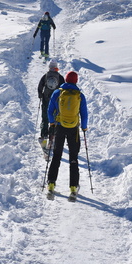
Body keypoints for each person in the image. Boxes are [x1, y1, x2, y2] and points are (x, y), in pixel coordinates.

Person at [47, 71, 88, 199]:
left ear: (65, 79)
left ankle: (51, 184)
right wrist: (84, 127)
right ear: (76, 81)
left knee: (57, 155)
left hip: (59, 126)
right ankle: (73, 187)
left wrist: (52, 122)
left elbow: (50, 110)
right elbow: (84, 114)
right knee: (73, 157)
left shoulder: (57, 93)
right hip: (73, 129)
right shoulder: (80, 95)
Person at [38, 60, 65, 146]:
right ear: (56, 68)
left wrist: (41, 95)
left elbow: (40, 86)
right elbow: (63, 89)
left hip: (46, 100)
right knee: (53, 119)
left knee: (45, 118)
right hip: (55, 102)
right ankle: (51, 138)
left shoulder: (45, 76)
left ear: (49, 67)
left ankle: (43, 136)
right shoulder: (60, 77)